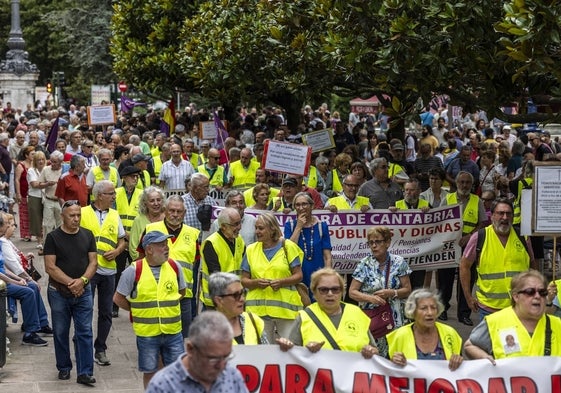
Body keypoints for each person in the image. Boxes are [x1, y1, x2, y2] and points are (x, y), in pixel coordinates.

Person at [114, 231, 186, 388]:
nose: (166, 248)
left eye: (166, 244)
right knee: (150, 372)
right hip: (147, 334)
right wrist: (137, 309)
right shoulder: (133, 271)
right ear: (149, 249)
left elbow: (182, 293)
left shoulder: (174, 267)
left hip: (173, 332)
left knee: (177, 372)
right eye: (161, 245)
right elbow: (118, 298)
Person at [44, 200, 98, 385]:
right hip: (59, 292)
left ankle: (85, 371)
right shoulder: (52, 237)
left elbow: (93, 262)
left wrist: (82, 281)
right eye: (72, 216)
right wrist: (70, 283)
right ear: (62, 216)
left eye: (78, 215)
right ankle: (64, 367)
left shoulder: (88, 235)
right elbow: (50, 267)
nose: (76, 219)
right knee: (60, 331)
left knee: (85, 331)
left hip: (84, 291)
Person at [277, 268, 378, 358]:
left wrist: (370, 352)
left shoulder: (356, 313)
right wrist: (305, 352)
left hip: (353, 378)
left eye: (335, 289)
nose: (330, 294)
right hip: (318, 377)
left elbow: (375, 351)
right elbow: (291, 354)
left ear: (342, 291)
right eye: (323, 290)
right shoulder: (304, 316)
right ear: (314, 292)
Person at [460, 198, 535, 318]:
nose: (505, 217)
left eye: (508, 213)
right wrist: (468, 297)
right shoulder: (479, 237)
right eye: (500, 213)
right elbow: (464, 266)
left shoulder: (523, 237)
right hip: (488, 309)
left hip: (519, 308)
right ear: (492, 215)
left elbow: (532, 264)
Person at [464, 270, 561, 361]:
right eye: (530, 292)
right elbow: (470, 346)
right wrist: (486, 359)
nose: (537, 296)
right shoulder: (495, 322)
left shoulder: (557, 324)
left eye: (542, 292)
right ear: (516, 296)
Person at [80, 180, 126, 366]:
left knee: (106, 312)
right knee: (84, 310)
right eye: (111, 193)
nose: (114, 197)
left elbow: (122, 240)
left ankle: (100, 348)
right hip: (87, 271)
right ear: (100, 195)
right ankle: (82, 345)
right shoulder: (82, 213)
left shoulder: (115, 215)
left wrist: (117, 251)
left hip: (108, 271)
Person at [145, 311, 249, 393]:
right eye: (213, 359)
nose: (221, 366)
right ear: (190, 349)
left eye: (226, 357)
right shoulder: (162, 385)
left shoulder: (232, 376)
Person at [349, 226, 412, 357]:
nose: (374, 246)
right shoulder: (364, 264)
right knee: (373, 355)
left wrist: (392, 293)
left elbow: (407, 289)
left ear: (387, 242)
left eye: (378, 242)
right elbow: (352, 292)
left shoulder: (398, 262)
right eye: (371, 243)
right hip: (372, 318)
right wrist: (370, 298)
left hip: (395, 317)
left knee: (396, 354)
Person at [241, 212, 304, 341]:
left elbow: (299, 275)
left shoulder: (288, 247)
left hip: (286, 311)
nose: (257, 231)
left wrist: (281, 282)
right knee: (262, 351)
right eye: (256, 228)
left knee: (290, 348)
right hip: (258, 311)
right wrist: (255, 283)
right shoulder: (251, 250)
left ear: (272, 229)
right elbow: (243, 280)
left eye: (261, 228)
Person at [144, 195, 200, 337]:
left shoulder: (193, 234)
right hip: (156, 294)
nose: (175, 214)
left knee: (182, 338)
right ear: (165, 210)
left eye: (179, 211)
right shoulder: (151, 229)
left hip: (183, 297)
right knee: (156, 337)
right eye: (171, 210)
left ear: (184, 213)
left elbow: (195, 263)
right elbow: (140, 259)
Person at [438, 171, 486, 325]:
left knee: (466, 280)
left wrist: (470, 236)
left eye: (467, 182)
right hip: (450, 246)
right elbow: (438, 220)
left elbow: (482, 223)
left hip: (469, 246)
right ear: (456, 183)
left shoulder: (477, 200)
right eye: (462, 182)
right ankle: (442, 308)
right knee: (445, 279)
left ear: (472, 185)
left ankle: (464, 313)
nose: (464, 185)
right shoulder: (448, 198)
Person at [0, 214, 51, 347]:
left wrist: (18, 279)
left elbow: (4, 268)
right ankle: (30, 332)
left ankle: (39, 323)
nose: (10, 227)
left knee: (32, 287)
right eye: (8, 224)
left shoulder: (3, 241)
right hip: (3, 282)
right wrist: (18, 281)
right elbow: (5, 270)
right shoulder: (2, 242)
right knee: (28, 291)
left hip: (7, 279)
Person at [387, 289, 463, 371]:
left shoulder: (450, 332)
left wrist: (459, 361)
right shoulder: (399, 335)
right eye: (424, 308)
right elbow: (385, 370)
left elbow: (462, 370)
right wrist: (392, 362)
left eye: (433, 308)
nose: (430, 313)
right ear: (413, 311)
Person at [285, 192, 332, 298]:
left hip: (318, 275)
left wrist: (328, 275)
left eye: (304, 204)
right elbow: (289, 249)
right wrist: (299, 227)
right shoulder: (290, 226)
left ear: (312, 206)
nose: (301, 208)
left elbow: (327, 256)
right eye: (297, 205)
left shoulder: (321, 226)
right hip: (298, 275)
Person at [200, 208, 245, 308]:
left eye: (240, 222)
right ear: (223, 226)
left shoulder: (239, 240)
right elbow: (216, 276)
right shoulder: (211, 243)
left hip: (235, 299)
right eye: (235, 224)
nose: (240, 227)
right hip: (216, 303)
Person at [209, 272, 268, 344]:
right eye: (236, 295)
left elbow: (267, 353)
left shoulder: (253, 320)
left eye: (242, 293)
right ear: (219, 301)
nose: (242, 299)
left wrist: (281, 350)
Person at [128, 186, 166, 261]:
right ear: (145, 203)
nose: (156, 203)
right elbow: (133, 248)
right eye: (152, 201)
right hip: (143, 264)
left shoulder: (167, 219)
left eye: (158, 200)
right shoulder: (138, 220)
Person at [38, 150, 63, 236]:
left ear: (60, 162)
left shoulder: (65, 170)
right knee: (47, 225)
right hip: (49, 200)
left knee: (61, 225)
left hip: (60, 201)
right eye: (51, 161)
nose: (52, 164)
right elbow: (39, 184)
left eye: (55, 162)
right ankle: (47, 245)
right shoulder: (46, 169)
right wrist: (47, 184)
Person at [26, 150, 46, 251]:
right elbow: (34, 184)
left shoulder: (47, 169)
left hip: (45, 196)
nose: (41, 161)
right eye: (39, 160)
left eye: (42, 159)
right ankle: (39, 240)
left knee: (47, 218)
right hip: (34, 196)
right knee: (36, 219)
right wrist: (47, 184)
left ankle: (46, 239)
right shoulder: (31, 170)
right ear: (35, 161)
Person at [15, 145, 35, 241]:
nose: (34, 155)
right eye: (32, 154)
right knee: (24, 214)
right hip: (23, 193)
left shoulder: (35, 165)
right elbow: (17, 180)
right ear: (26, 155)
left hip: (34, 193)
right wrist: (18, 193)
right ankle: (26, 234)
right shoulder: (20, 165)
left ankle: (36, 232)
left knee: (34, 213)